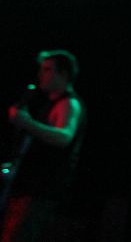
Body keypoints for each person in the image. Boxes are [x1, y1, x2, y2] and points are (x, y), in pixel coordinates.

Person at [1, 50, 85, 242]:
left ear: (63, 74)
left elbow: (64, 137)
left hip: (39, 191)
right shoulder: (51, 104)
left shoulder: (69, 103)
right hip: (29, 189)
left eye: (47, 70)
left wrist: (27, 123)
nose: (40, 74)